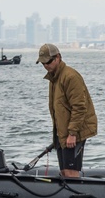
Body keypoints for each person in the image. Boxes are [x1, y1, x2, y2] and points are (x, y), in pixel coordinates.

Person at [36, 43, 98, 178]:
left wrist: (72, 133)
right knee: (64, 171)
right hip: (62, 132)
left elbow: (80, 107)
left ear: (58, 57)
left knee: (71, 172)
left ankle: (79, 196)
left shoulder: (70, 77)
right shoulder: (54, 78)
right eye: (43, 64)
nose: (46, 66)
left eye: (48, 62)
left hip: (74, 132)